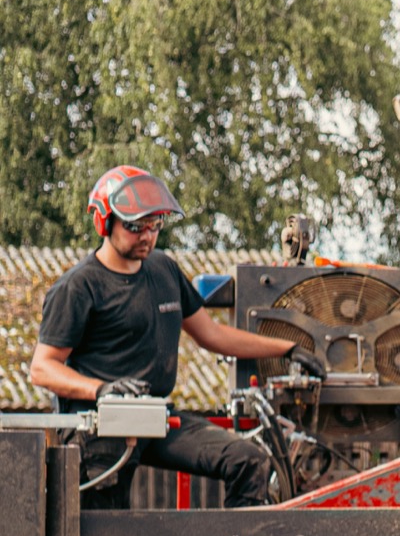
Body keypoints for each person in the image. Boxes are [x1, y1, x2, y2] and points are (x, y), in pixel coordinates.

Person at [28, 166, 319, 508]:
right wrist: (101, 389)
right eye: (135, 227)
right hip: (98, 431)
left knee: (247, 459)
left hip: (156, 418)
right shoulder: (79, 287)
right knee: (107, 535)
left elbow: (212, 334)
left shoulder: (163, 270)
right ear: (104, 222)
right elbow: (42, 369)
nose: (147, 236)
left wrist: (288, 349)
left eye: (155, 226)